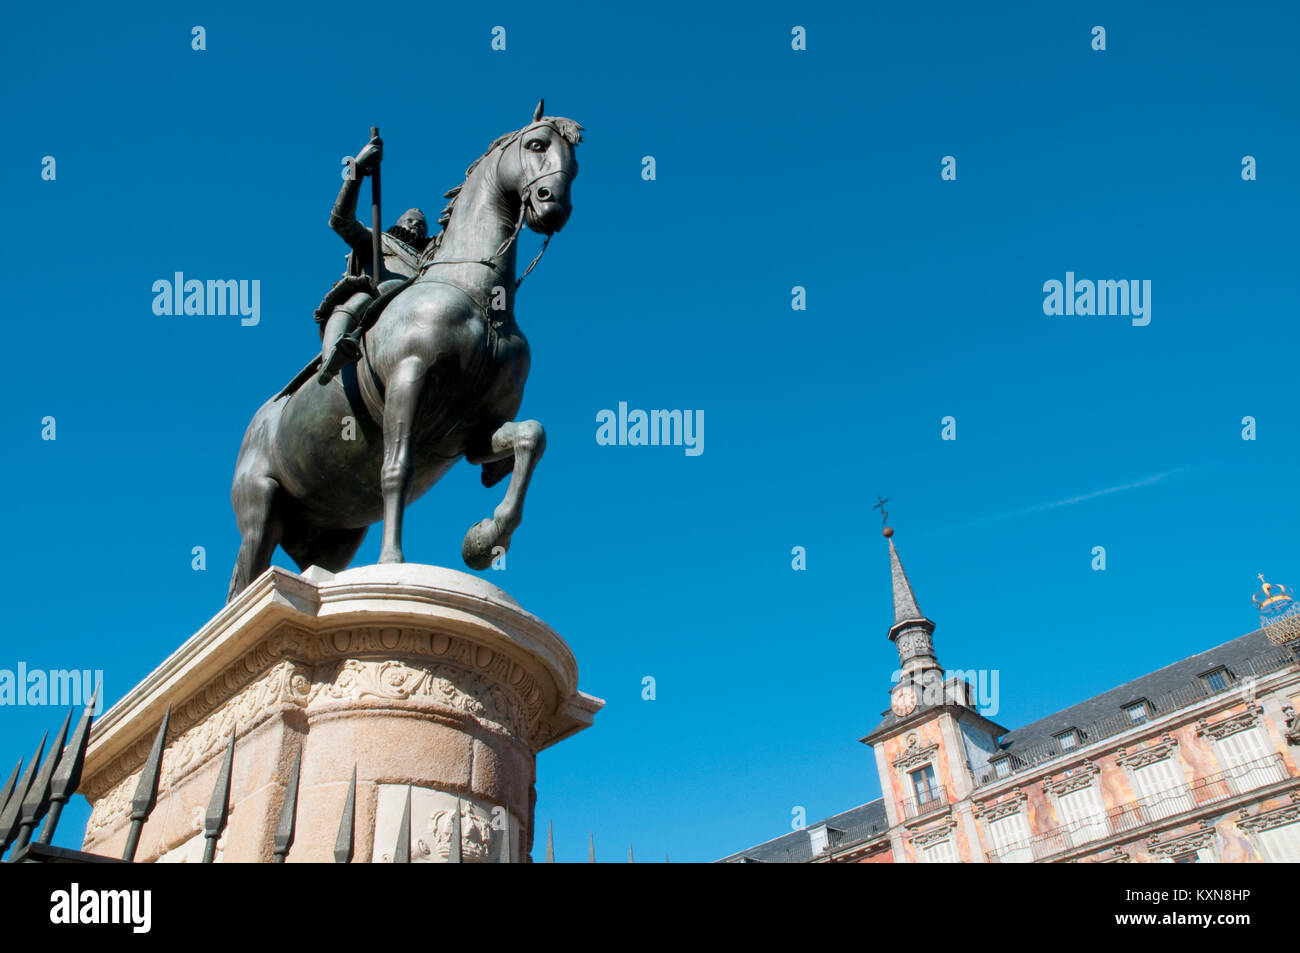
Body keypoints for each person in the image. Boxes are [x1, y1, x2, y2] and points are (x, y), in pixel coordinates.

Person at [315, 134, 430, 383]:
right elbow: (340, 220)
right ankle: (333, 356)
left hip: (421, 316)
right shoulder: (379, 240)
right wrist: (357, 168)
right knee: (358, 302)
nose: (416, 227)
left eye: (422, 225)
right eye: (410, 222)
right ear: (398, 224)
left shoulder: (431, 261)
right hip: (377, 298)